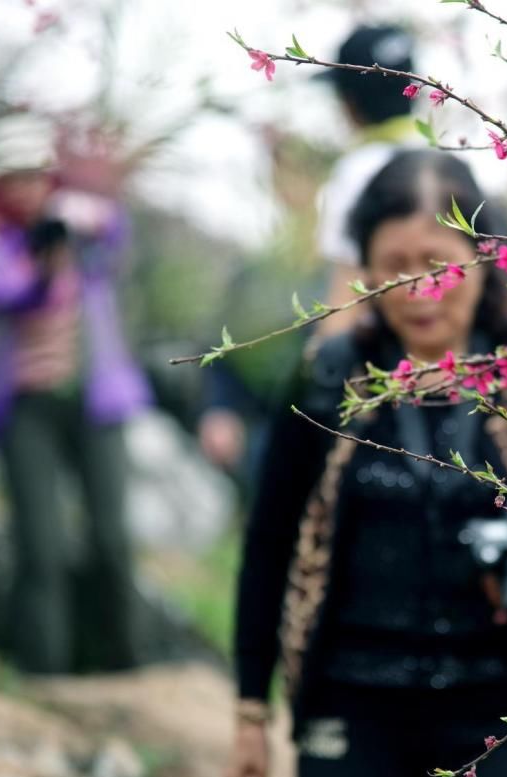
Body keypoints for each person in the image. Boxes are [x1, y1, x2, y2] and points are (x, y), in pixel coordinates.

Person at [224, 151, 507, 777]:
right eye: (394, 263)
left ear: (485, 259)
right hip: (352, 710)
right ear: (364, 267)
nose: (419, 287)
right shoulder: (328, 380)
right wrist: (251, 709)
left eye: (440, 260)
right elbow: (269, 544)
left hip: (506, 711)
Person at [0, 115, 151, 674]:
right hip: (27, 409)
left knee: (112, 540)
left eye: (32, 175)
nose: (23, 188)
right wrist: (44, 263)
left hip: (97, 404)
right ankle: (43, 669)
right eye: (11, 177)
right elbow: (10, 295)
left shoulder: (81, 229)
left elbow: (118, 235)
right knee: (39, 545)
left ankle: (123, 665)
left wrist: (78, 218)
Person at [197, 24, 421, 477]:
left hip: (373, 382)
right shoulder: (445, 162)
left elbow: (344, 298)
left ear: (350, 104)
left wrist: (318, 394)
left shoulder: (358, 171)